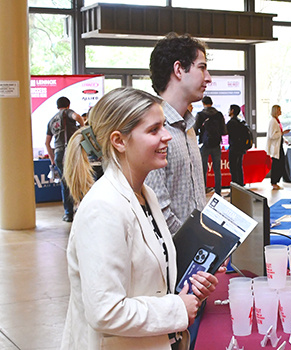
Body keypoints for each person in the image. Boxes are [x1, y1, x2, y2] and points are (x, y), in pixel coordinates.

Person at [60, 87, 219, 350]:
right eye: (153, 130)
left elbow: (147, 280)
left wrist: (187, 287)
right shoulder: (103, 208)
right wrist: (176, 308)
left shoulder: (146, 196)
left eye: (164, 127)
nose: (167, 136)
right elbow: (105, 311)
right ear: (119, 141)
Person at [145, 33, 211, 233]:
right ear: (179, 70)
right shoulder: (151, 131)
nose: (208, 78)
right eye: (201, 67)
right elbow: (158, 211)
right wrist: (194, 245)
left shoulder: (188, 127)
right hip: (175, 256)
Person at [45, 96, 84, 222]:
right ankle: (82, 208)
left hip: (58, 154)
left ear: (57, 106)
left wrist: (52, 159)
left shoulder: (51, 121)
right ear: (68, 105)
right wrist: (83, 127)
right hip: (71, 152)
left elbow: (47, 143)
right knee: (78, 179)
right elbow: (77, 117)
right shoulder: (67, 113)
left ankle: (68, 214)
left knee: (65, 183)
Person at [195, 96, 227, 195]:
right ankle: (218, 191)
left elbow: (195, 129)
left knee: (203, 168)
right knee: (217, 169)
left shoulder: (200, 115)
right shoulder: (219, 115)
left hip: (205, 144)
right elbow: (224, 131)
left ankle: (203, 190)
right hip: (216, 144)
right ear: (212, 103)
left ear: (203, 104)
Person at [266, 105, 290, 190]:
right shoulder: (273, 121)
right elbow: (272, 135)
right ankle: (274, 182)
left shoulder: (277, 121)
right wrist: (282, 133)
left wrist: (284, 139)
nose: (281, 111)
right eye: (279, 110)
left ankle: (275, 181)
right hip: (275, 147)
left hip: (279, 146)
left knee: (280, 164)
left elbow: (278, 134)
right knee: (277, 165)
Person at [226, 104, 248, 186]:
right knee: (239, 168)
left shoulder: (231, 122)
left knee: (233, 169)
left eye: (229, 109)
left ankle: (235, 189)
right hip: (241, 148)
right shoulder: (240, 122)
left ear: (232, 111)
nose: (228, 111)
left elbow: (224, 132)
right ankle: (241, 187)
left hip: (234, 148)